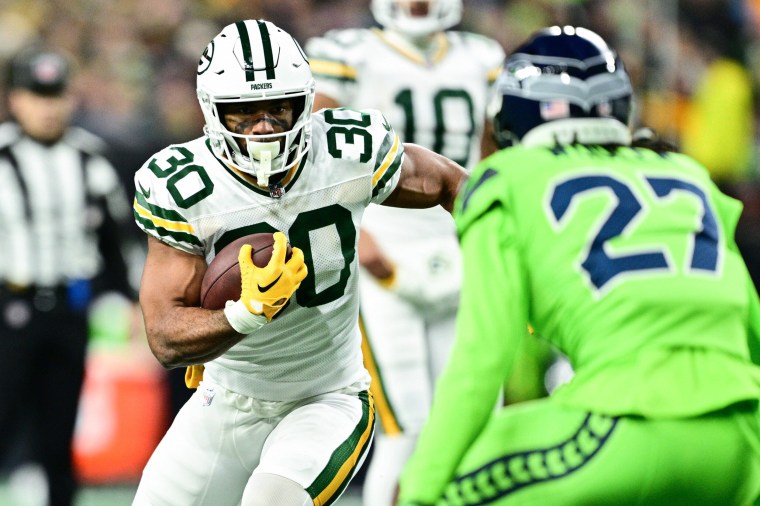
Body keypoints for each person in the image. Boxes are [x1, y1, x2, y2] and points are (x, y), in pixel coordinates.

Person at [398, 25, 760, 505]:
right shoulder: (688, 175)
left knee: (443, 486)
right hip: (741, 440)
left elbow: (483, 358)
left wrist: (418, 490)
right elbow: (751, 328)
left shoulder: (506, 180)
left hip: (625, 426)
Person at [131, 19, 467, 506]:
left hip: (327, 397)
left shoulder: (347, 153)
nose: (264, 127)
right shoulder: (185, 187)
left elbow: (451, 183)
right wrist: (244, 313)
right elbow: (163, 334)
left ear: (306, 102)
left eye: (279, 108)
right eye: (245, 113)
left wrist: (511, 263)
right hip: (226, 398)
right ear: (212, 111)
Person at [304, 3, 506, 503]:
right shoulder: (348, 53)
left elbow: (493, 157)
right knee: (405, 426)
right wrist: (356, 239)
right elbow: (314, 153)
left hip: (461, 245)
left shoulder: (482, 56)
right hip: (383, 248)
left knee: (476, 419)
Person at [0, 46, 134, 506]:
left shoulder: (92, 159)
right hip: (7, 309)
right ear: (15, 99)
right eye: (36, 95)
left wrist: (126, 297)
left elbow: (114, 244)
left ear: (70, 99)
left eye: (55, 95)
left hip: (69, 311)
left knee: (59, 434)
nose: (47, 106)